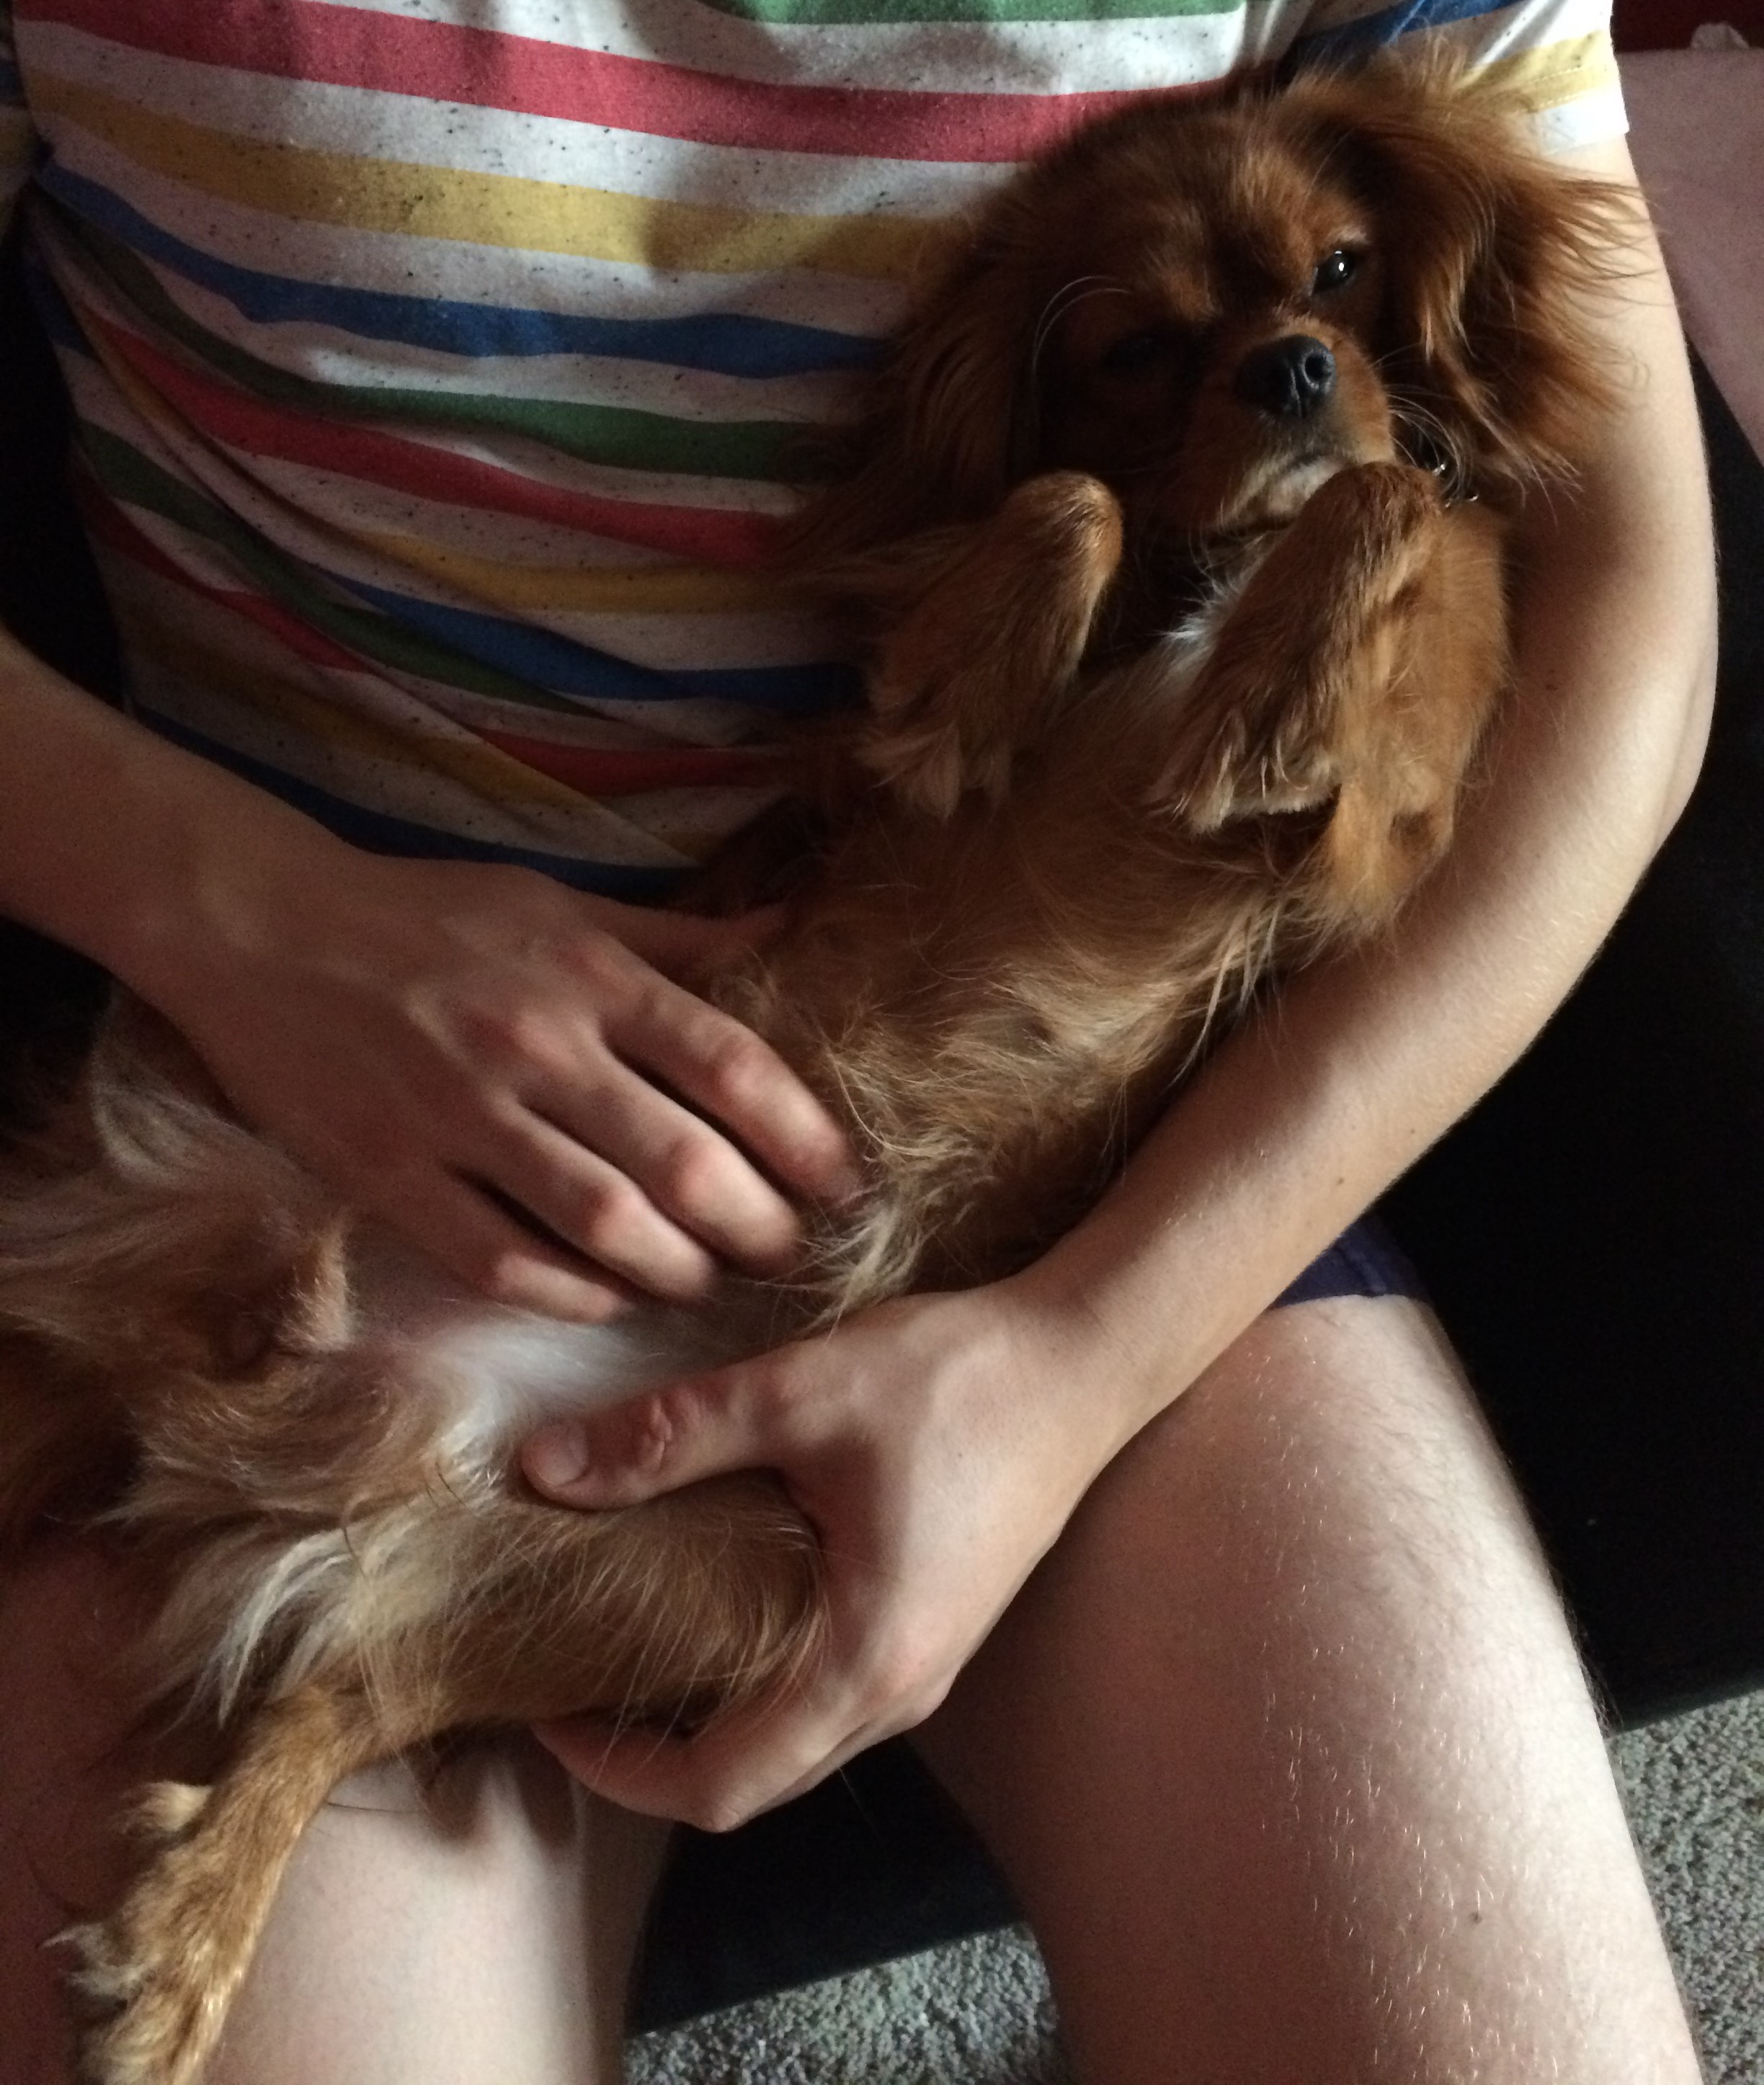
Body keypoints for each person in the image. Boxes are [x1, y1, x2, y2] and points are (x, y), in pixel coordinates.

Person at [0, 1, 1714, 2079]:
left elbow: (1628, 609)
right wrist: (244, 915)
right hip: (342, 1132)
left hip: (1127, 1137)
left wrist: (1087, 1349)